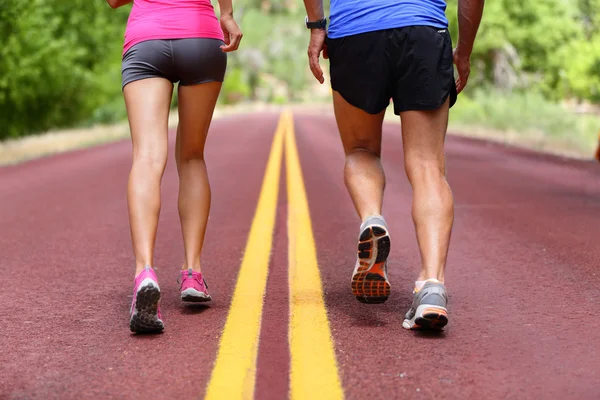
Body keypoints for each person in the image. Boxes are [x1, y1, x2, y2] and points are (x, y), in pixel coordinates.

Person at [302, 0, 484, 329]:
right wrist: (464, 51)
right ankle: (432, 286)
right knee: (427, 165)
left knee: (360, 149)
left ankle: (373, 218)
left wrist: (317, 27)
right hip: (422, 30)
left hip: (355, 33)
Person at [106, 0, 243, 333]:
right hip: (201, 37)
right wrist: (226, 14)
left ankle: (145, 273)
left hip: (146, 39)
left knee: (147, 157)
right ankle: (192, 273)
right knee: (193, 156)